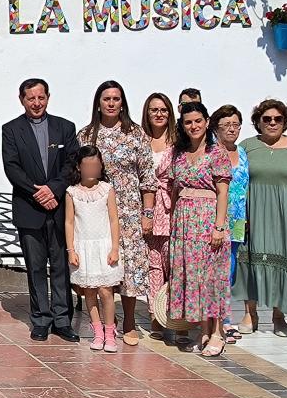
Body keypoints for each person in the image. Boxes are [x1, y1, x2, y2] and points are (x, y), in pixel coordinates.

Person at [1, 78, 79, 342]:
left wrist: (53, 189)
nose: (36, 103)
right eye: (30, 98)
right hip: (29, 208)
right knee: (35, 267)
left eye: (41, 97)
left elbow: (72, 164)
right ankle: (41, 320)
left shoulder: (65, 127)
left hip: (58, 209)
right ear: (21, 99)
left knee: (60, 266)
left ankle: (62, 320)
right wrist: (38, 192)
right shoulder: (11, 130)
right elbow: (11, 167)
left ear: (48, 97)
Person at [78, 81, 156, 345]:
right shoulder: (87, 135)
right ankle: (102, 325)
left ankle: (130, 320)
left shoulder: (135, 134)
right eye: (106, 98)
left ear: (122, 102)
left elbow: (147, 177)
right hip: (96, 211)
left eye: (116, 98)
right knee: (102, 264)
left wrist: (147, 212)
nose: (111, 103)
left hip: (130, 210)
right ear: (98, 103)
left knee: (130, 265)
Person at [234, 99, 287, 336]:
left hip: (284, 215)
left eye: (278, 119)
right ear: (258, 122)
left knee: (282, 260)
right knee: (248, 260)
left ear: (285, 122)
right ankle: (250, 314)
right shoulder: (247, 146)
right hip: (252, 212)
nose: (272, 123)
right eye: (267, 119)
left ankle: (279, 315)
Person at [168, 102, 232, 357]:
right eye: (188, 122)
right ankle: (203, 330)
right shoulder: (180, 153)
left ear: (207, 122)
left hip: (207, 220)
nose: (193, 126)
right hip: (184, 222)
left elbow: (223, 192)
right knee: (194, 277)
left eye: (197, 121)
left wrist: (219, 227)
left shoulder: (217, 153)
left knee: (212, 277)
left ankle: (219, 332)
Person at [65, 146, 123, 353]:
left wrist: (114, 247)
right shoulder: (72, 192)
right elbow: (69, 222)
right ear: (79, 167)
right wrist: (71, 250)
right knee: (88, 291)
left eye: (95, 165)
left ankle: (110, 331)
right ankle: (97, 331)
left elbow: (114, 219)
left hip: (104, 245)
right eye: (87, 166)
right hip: (84, 247)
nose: (92, 169)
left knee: (106, 291)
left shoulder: (106, 189)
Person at [142, 92, 179, 344]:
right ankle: (156, 316)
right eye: (154, 109)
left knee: (174, 263)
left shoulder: (179, 142)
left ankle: (179, 319)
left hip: (173, 207)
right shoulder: (140, 140)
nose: (159, 114)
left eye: (163, 109)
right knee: (152, 263)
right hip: (146, 208)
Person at [211, 104, 249, 345]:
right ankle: (222, 319)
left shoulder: (243, 152)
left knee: (231, 269)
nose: (232, 129)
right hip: (217, 218)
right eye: (226, 125)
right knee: (219, 269)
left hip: (238, 220)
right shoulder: (212, 152)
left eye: (235, 124)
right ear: (216, 128)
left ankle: (225, 314)